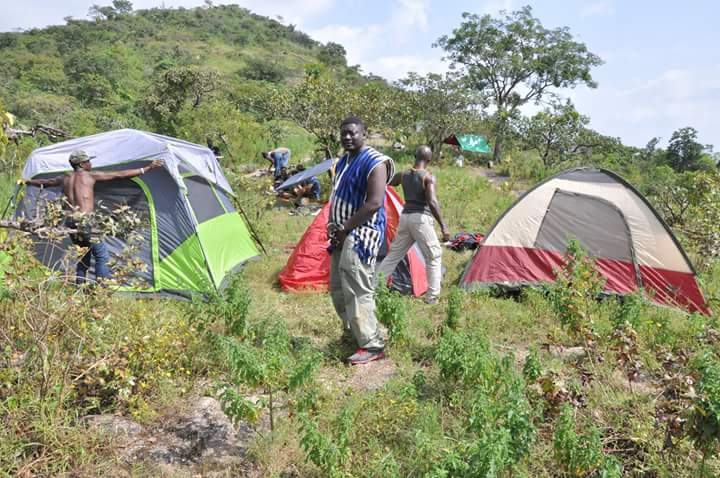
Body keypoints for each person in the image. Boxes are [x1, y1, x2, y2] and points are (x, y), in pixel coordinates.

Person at [24, 150, 163, 285]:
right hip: (85, 221)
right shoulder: (90, 176)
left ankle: (80, 286)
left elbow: (46, 182)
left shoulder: (65, 177)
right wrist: (149, 168)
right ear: (82, 164)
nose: (91, 164)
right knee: (102, 255)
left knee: (83, 254)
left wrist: (27, 181)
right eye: (88, 161)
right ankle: (102, 290)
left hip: (71, 222)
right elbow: (121, 175)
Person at [328, 116, 394, 365]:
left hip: (361, 234)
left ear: (363, 134)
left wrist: (345, 228)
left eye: (352, 133)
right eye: (344, 133)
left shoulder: (375, 162)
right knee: (338, 287)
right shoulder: (344, 161)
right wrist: (335, 230)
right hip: (341, 233)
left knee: (357, 287)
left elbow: (374, 202)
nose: (347, 137)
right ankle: (354, 333)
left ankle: (372, 344)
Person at [376, 145, 450, 304]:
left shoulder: (403, 174)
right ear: (429, 160)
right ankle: (432, 297)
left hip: (405, 217)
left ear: (415, 155)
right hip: (420, 219)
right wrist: (443, 226)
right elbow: (432, 201)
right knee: (434, 255)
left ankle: (374, 288)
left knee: (393, 255)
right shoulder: (428, 177)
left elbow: (388, 182)